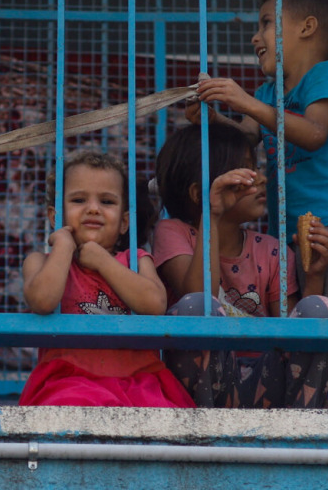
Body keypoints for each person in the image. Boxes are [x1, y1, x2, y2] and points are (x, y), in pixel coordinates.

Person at [185, 0, 328, 409]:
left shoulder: (327, 75)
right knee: (293, 331)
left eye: (266, 24)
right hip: (284, 236)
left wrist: (246, 101)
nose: (256, 36)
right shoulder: (268, 91)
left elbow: (313, 132)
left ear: (306, 28)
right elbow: (249, 135)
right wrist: (216, 119)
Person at [152, 123, 328, 409]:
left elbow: (291, 333)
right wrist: (212, 214)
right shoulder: (173, 232)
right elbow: (198, 293)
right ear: (198, 193)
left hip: (264, 384)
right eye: (245, 171)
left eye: (257, 169)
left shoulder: (270, 250)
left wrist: (314, 275)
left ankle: (301, 427)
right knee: (197, 305)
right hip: (206, 387)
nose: (262, 179)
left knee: (320, 310)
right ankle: (205, 428)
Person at [18, 151, 195, 408]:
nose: (93, 208)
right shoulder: (41, 262)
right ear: (55, 217)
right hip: (70, 379)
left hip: (138, 379)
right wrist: (64, 246)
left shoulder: (136, 260)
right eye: (78, 200)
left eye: (107, 202)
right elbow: (43, 300)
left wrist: (103, 261)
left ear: (124, 222)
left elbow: (155, 303)